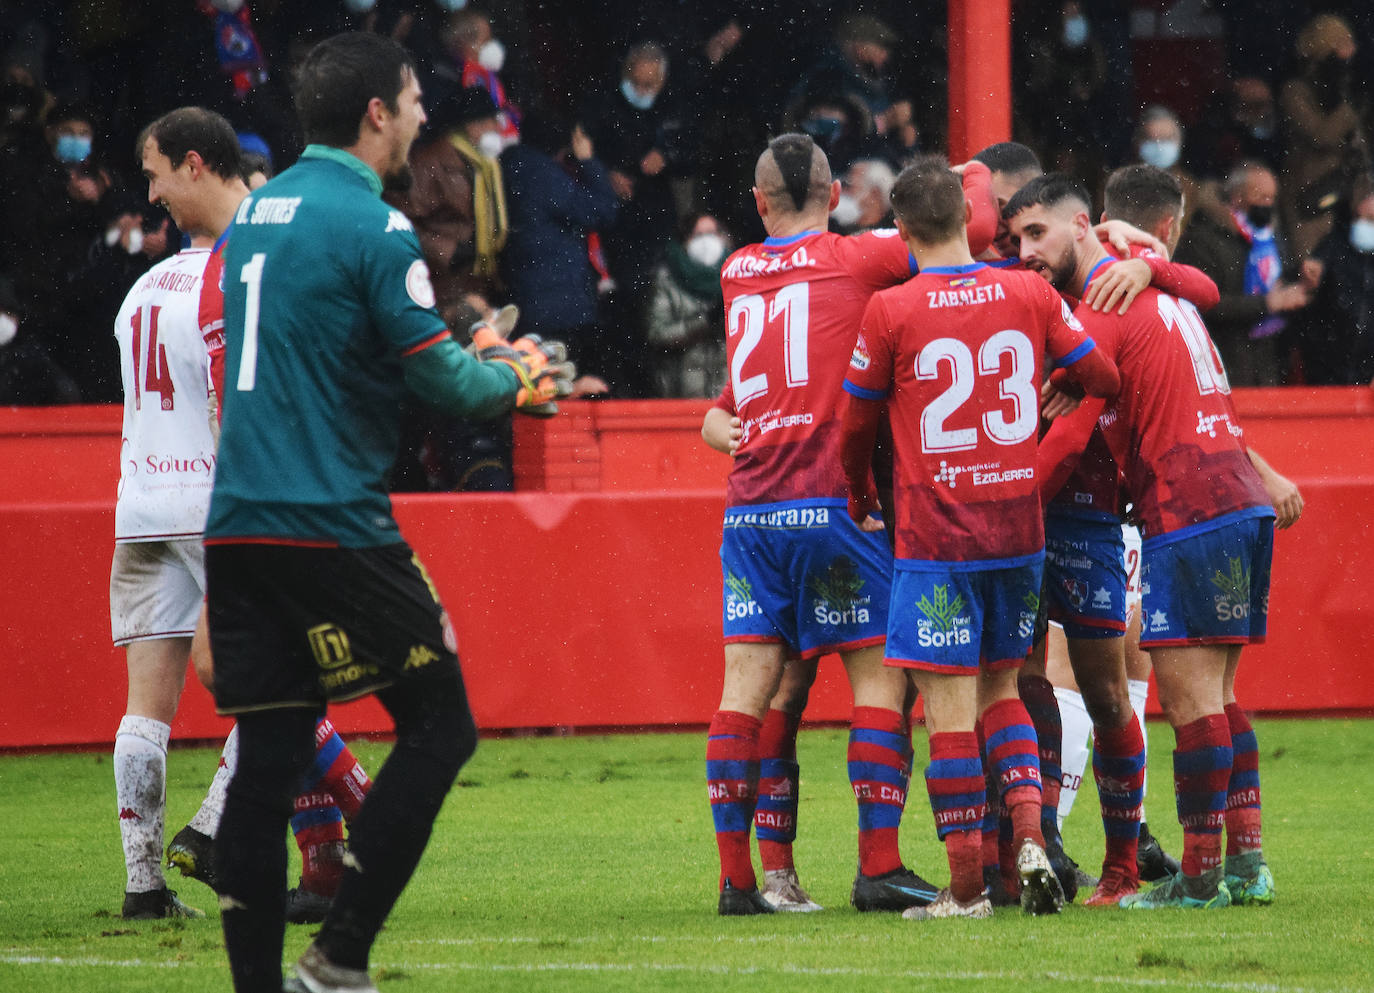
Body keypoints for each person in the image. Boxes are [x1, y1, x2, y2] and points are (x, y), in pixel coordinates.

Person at [203, 32, 570, 992]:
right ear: (376, 113)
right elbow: (443, 382)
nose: (420, 117)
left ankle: (258, 985)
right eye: (411, 101)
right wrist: (512, 378)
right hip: (330, 520)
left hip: (239, 522)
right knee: (441, 727)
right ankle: (340, 954)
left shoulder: (257, 214)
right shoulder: (375, 228)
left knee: (269, 759)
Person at [703, 134, 980, 917]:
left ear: (758, 203)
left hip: (752, 509)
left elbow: (752, 378)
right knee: (881, 681)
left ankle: (740, 880)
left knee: (748, 690)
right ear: (836, 196)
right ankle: (878, 865)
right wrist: (965, 178)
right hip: (834, 501)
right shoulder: (860, 258)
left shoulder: (735, 272)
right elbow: (970, 229)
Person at [838, 157, 1120, 921]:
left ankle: (963, 888)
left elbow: (856, 427)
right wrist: (1064, 383)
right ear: (973, 222)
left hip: (935, 537)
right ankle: (1028, 835)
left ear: (901, 231)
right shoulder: (1028, 290)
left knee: (947, 712)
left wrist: (864, 494)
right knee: (1003, 691)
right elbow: (1103, 374)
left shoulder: (890, 311)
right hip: (1017, 531)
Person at [1011, 169, 1279, 910]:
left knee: (1190, 703)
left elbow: (1067, 439)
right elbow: (1212, 293)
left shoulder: (1104, 305)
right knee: (1222, 697)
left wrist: (1003, 510)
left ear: (1084, 225)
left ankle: (1195, 877)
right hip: (1239, 500)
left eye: (1038, 233)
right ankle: (1247, 864)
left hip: (1186, 507)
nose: (1027, 250)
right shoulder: (1162, 290)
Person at [110, 105, 250, 922]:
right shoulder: (232, 276)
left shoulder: (140, 289)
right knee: (281, 676)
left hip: (141, 501)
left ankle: (142, 884)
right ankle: (212, 827)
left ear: (193, 166)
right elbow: (234, 400)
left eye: (157, 174)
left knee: (145, 705)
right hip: (213, 496)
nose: (154, 193)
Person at [1174, 161, 1309, 385]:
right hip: (1226, 363)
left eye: (1272, 199)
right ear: (1237, 197)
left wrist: (1300, 275)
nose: (1268, 205)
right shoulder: (1203, 240)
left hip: (1267, 363)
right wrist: (1266, 304)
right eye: (1262, 197)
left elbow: (1280, 276)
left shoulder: (1269, 235)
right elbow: (1203, 304)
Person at [1298, 172, 1374, 384]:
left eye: (1371, 220)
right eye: (1358, 218)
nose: (1364, 226)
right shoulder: (1333, 246)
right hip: (1328, 373)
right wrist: (1306, 276)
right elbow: (1306, 290)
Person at [645, 211, 729, 397]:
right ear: (685, 240)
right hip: (682, 390)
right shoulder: (667, 280)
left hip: (724, 389)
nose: (707, 242)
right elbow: (657, 334)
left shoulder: (734, 275)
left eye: (712, 234)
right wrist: (703, 322)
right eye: (699, 235)